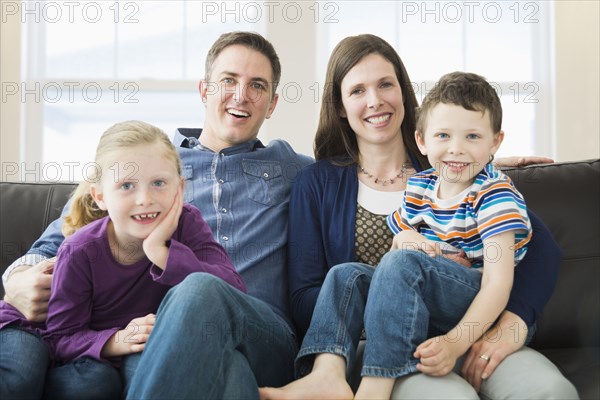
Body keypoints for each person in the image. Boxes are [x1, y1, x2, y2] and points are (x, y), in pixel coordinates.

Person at [260, 35, 577, 399]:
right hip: (379, 344)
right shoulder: (318, 183)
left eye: (385, 84)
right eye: (357, 90)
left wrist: (512, 324)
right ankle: (326, 375)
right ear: (341, 107)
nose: (375, 100)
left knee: (549, 391)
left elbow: (541, 250)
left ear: (403, 92)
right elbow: (304, 297)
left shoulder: (453, 169)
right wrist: (397, 295)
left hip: (474, 323)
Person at [1, 32, 313, 399]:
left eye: (256, 86)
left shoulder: (297, 170)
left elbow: (362, 168)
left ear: (273, 103)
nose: (241, 95)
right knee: (230, 374)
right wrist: (16, 279)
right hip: (173, 336)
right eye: (228, 80)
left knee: (203, 287)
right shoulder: (150, 163)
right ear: (204, 90)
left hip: (263, 332)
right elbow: (67, 231)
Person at [1, 120, 246, 398]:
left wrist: (162, 253)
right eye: (127, 185)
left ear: (179, 188)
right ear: (100, 197)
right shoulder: (80, 250)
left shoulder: (187, 223)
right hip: (39, 331)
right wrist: (116, 340)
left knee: (119, 374)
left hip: (121, 347)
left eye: (158, 183)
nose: (145, 199)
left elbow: (234, 293)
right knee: (65, 379)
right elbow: (59, 336)